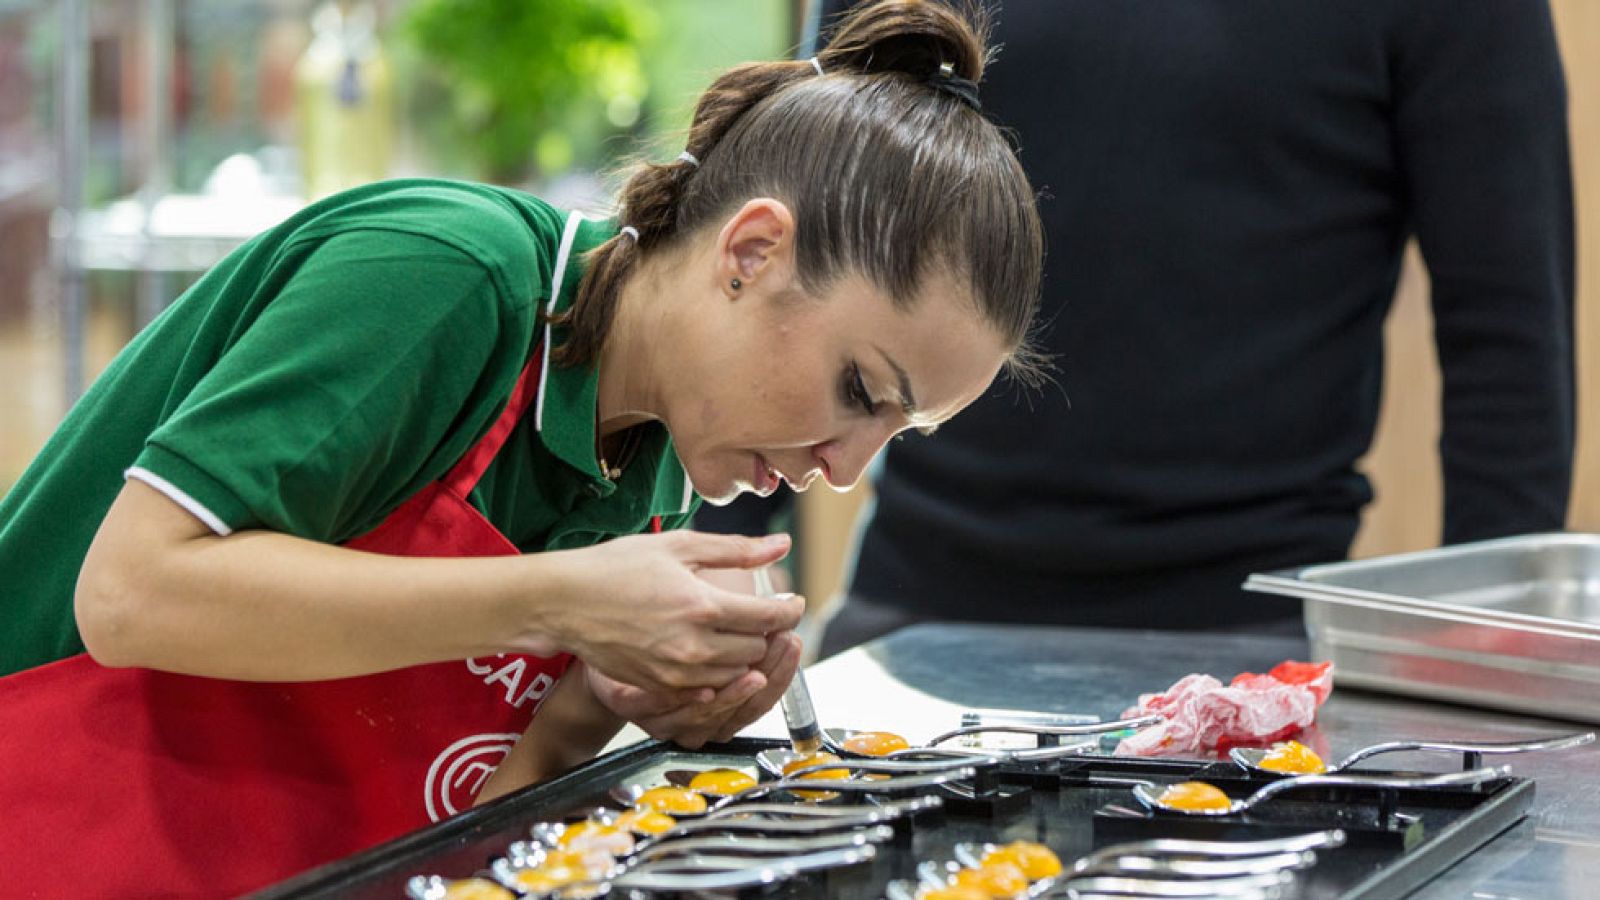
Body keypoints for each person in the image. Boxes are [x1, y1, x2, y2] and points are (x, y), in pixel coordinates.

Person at [0, 1, 1043, 893]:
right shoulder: (441, 276)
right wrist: (563, 598)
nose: (843, 469)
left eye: (893, 434)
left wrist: (611, 702)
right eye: (857, 389)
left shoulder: (652, 473)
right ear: (752, 251)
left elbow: (462, 811)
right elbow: (132, 596)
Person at [704, 0, 1573, 655]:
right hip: (915, 615)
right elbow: (796, 233)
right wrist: (718, 571)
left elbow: (1506, 329)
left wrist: (1482, 657)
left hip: (1250, 638)